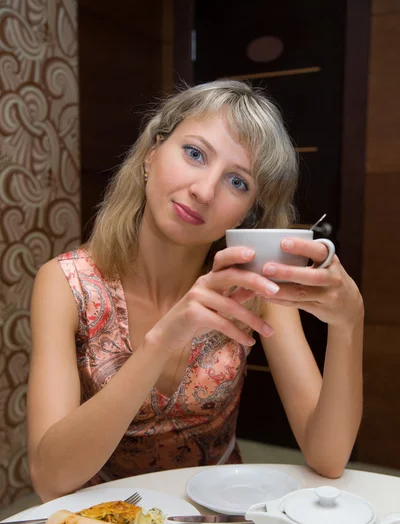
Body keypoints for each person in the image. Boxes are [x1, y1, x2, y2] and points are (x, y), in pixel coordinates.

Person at [27, 80, 364, 502]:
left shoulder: (252, 287)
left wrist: (350, 324)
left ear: (248, 214)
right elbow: (50, 480)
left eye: (237, 182)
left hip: (221, 519)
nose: (204, 191)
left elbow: (328, 457)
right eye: (194, 154)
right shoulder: (65, 284)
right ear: (152, 153)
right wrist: (163, 340)